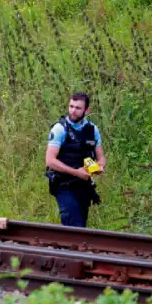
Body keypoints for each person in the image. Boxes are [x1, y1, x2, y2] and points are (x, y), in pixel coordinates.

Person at [46, 92, 106, 228]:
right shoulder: (60, 129)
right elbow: (50, 161)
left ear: (87, 110)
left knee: (81, 227)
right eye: (71, 106)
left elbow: (101, 157)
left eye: (78, 108)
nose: (73, 111)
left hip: (84, 186)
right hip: (63, 184)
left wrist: (99, 167)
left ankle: (68, 249)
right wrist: (76, 172)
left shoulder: (92, 130)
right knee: (74, 226)